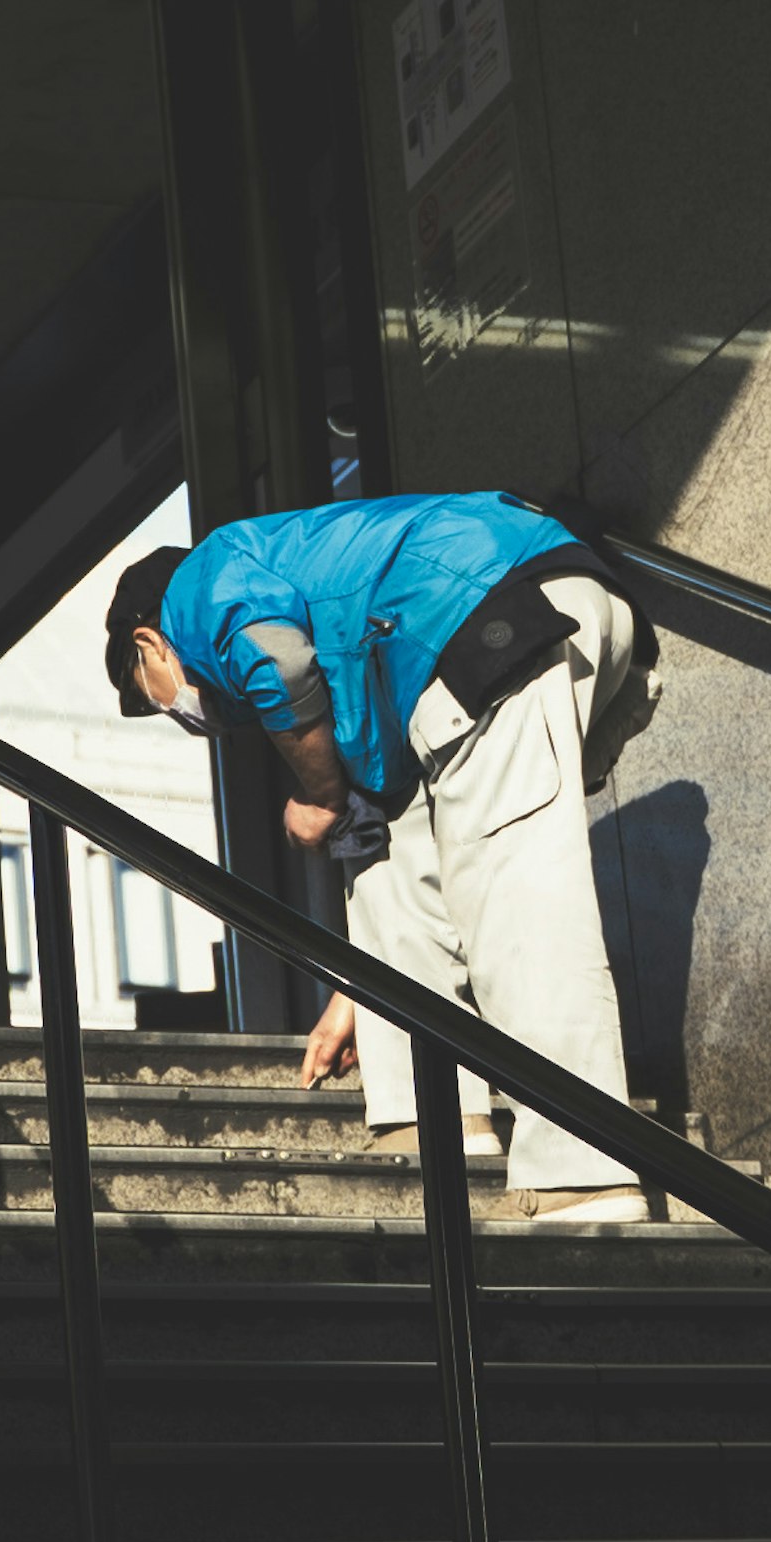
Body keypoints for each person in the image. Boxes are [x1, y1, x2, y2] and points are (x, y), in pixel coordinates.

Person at [107, 491, 662, 1231]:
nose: (171, 715)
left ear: (147, 646)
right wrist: (359, 995)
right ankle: (434, 1121)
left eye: (147, 698)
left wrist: (318, 791)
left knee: (514, 894)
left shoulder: (197, 588)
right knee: (389, 852)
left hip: (493, 622)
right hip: (551, 610)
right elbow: (398, 874)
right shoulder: (349, 629)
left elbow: (278, 661)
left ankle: (582, 1170)